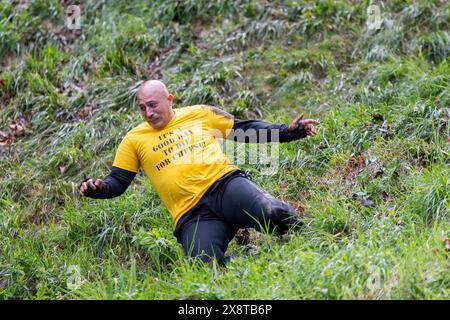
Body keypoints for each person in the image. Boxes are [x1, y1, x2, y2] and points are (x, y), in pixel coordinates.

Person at [79, 80, 320, 265]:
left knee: (272, 212)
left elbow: (244, 129)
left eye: (153, 105)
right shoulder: (134, 139)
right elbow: (117, 182)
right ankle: (253, 264)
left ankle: (312, 235)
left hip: (226, 186)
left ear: (169, 99)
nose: (148, 112)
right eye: (143, 108)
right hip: (192, 214)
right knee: (204, 264)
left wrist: (288, 132)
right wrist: (97, 189)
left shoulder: (199, 113)